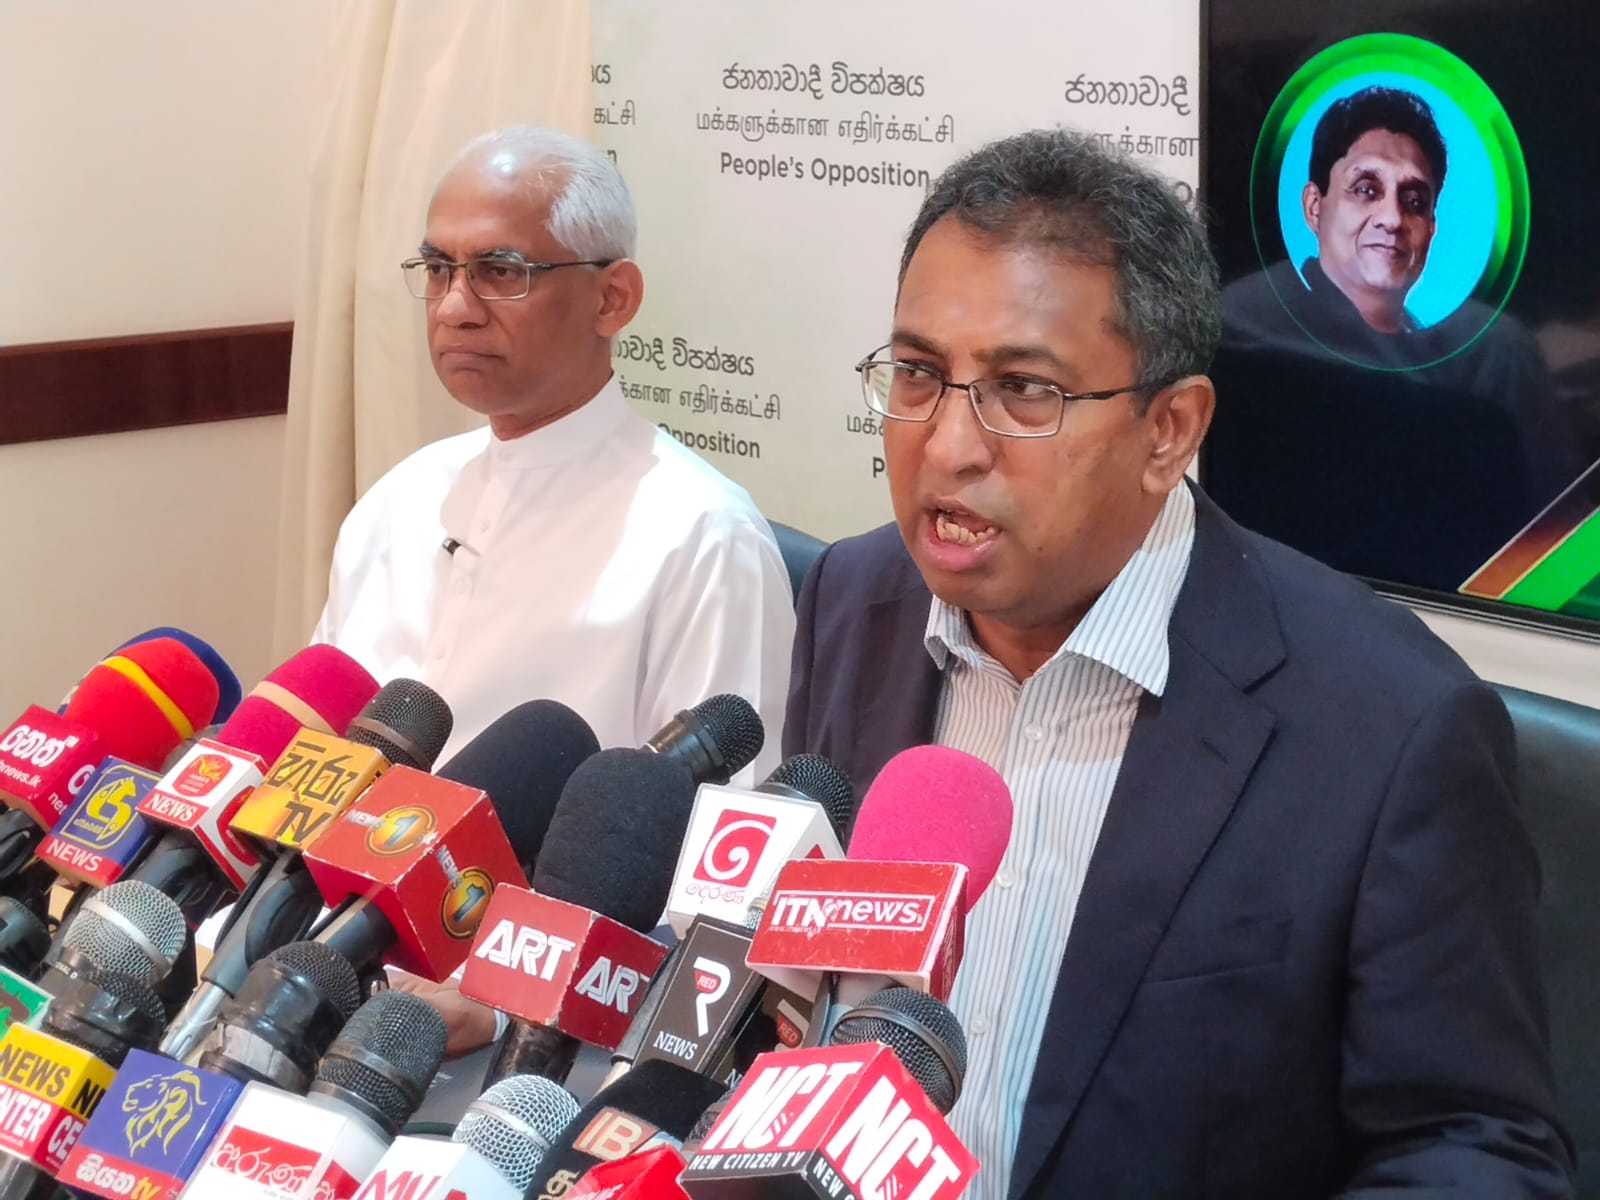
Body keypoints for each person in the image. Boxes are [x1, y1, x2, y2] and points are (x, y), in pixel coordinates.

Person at [784, 128, 1572, 1198]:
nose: (948, 445)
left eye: (1024, 391)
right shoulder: (854, 601)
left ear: (1169, 429)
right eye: (919, 374)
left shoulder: (1389, 727)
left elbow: (1479, 1151)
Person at [314, 126, 795, 1051]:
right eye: (438, 270)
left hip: (531, 1056)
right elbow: (321, 765)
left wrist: (502, 1009)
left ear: (614, 298)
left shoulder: (702, 537)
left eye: (500, 272)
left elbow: (721, 895)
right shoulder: (399, 499)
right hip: (321, 976)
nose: (456, 307)